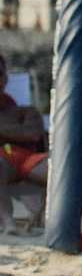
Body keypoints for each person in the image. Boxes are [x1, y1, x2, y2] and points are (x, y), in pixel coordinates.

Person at [0, 52, 46, 234]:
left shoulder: (25, 111)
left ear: (6, 78)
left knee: (62, 167)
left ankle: (41, 219)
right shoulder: (22, 115)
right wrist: (17, 132)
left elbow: (34, 135)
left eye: (0, 74)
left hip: (28, 159)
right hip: (4, 161)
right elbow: (26, 134)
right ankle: (8, 222)